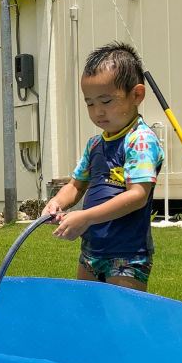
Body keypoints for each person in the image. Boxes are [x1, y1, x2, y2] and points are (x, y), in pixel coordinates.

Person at [43, 41, 164, 291]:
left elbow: (138, 196)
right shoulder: (95, 144)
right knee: (88, 314)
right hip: (91, 250)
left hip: (127, 254)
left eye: (106, 101)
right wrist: (57, 202)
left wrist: (85, 217)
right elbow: (76, 185)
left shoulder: (139, 141)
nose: (97, 111)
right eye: (89, 103)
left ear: (137, 95)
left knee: (121, 320)